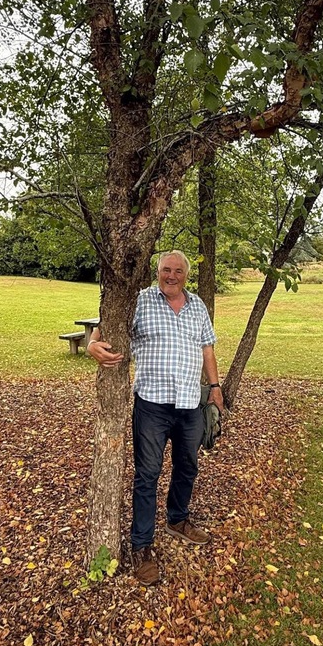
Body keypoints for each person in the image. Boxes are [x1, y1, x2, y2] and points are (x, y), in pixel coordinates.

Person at [87, 250, 223, 585]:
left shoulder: (198, 306)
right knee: (147, 475)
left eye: (178, 271)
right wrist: (92, 343)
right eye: (166, 269)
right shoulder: (140, 301)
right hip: (152, 405)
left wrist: (216, 386)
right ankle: (142, 546)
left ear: (186, 275)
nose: (171, 275)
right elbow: (106, 326)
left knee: (188, 466)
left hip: (190, 403)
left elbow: (207, 347)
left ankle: (177, 520)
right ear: (157, 271)